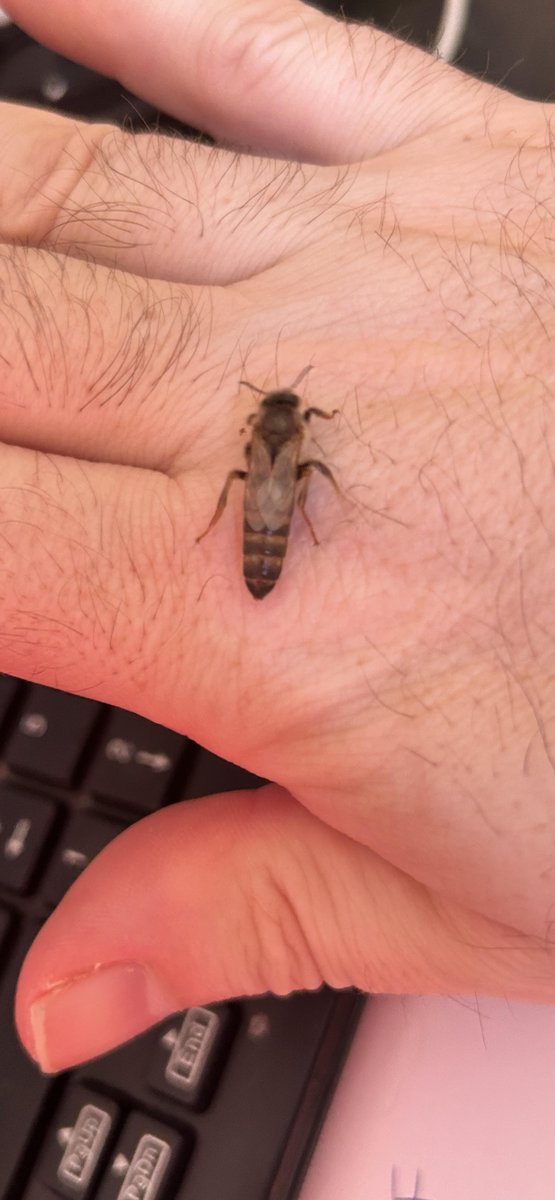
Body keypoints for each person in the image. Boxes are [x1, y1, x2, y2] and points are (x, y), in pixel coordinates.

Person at [0, 0, 553, 1075]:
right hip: (265, 522)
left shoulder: (276, 450)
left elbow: (292, 484)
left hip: (264, 526)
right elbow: (298, 481)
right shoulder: (286, 451)